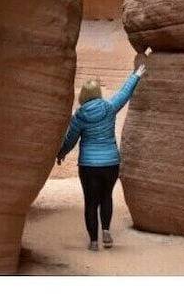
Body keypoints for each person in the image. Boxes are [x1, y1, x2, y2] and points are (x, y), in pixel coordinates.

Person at [55, 48, 151, 251]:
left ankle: (93, 241)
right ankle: (106, 231)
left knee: (91, 202)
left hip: (89, 165)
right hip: (110, 163)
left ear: (83, 96)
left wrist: (62, 152)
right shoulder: (109, 107)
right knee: (106, 197)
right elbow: (124, 94)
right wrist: (136, 75)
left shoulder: (79, 115)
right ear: (98, 93)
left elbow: (71, 139)